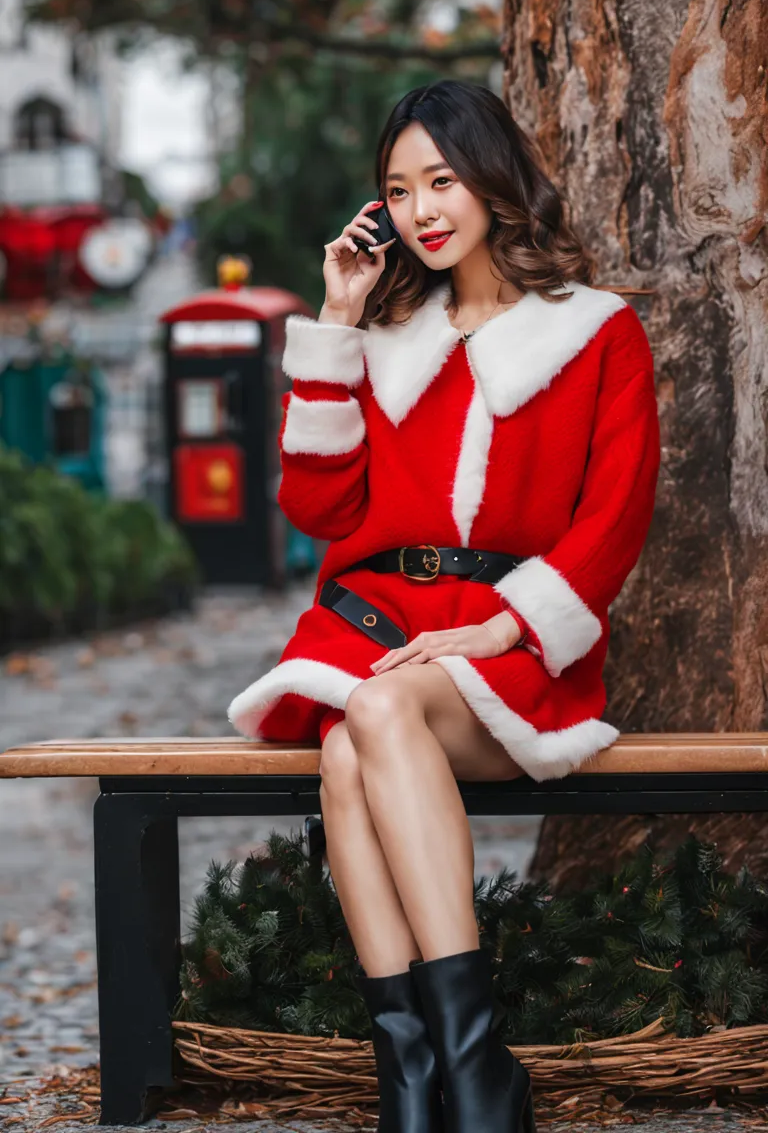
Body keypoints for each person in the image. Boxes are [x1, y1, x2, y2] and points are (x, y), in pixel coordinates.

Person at [228, 79, 660, 1133]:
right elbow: (318, 505)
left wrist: (508, 622)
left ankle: (458, 1064)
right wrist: (334, 323)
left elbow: (614, 520)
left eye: (442, 180)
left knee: (365, 726)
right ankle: (429, 1075)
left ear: (493, 181)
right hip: (380, 638)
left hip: (518, 651)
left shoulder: (596, 334)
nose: (422, 209)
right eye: (398, 189)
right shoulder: (384, 338)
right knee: (349, 743)